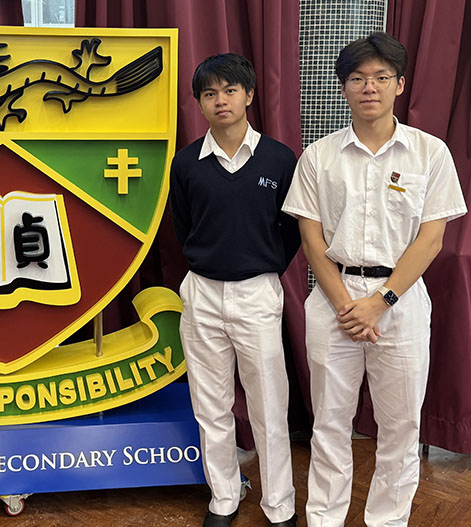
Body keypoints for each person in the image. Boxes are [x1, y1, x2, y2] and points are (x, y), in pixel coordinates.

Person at [281, 32, 467, 527]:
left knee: (401, 426)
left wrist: (380, 301)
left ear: (399, 84)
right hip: (334, 301)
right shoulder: (318, 157)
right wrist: (348, 305)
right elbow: (311, 239)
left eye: (382, 77)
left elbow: (431, 239)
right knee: (329, 424)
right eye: (358, 78)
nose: (370, 87)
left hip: (400, 303)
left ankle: (387, 521)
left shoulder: (430, 153)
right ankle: (324, 519)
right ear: (343, 87)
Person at [170, 53, 301, 527]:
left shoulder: (279, 159)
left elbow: (292, 230)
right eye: (210, 93)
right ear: (200, 103)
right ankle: (223, 497)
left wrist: (261, 267)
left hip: (257, 293)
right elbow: (183, 227)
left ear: (249, 95)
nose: (220, 100)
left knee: (269, 406)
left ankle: (279, 504)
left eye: (230, 90)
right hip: (202, 293)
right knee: (210, 405)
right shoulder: (187, 163)